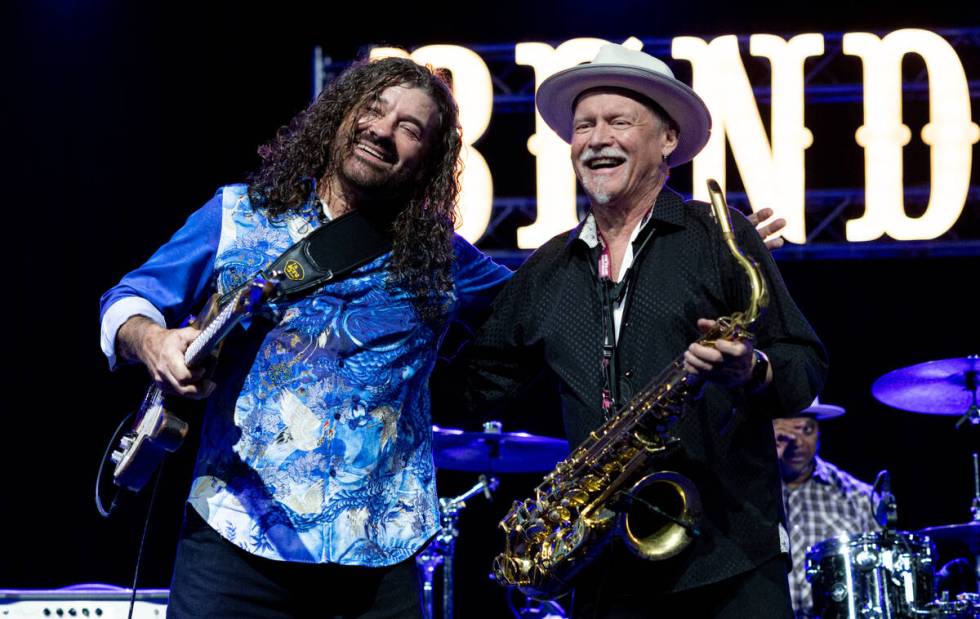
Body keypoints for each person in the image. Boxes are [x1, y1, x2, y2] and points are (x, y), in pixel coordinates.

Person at [99, 57, 512, 618]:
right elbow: (127, 302)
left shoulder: (444, 261)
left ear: (427, 165)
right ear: (341, 116)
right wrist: (152, 341)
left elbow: (538, 309)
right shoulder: (238, 215)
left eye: (411, 129)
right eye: (374, 108)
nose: (384, 131)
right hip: (235, 535)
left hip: (378, 556)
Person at [463, 44, 827, 618]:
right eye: (584, 125)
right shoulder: (547, 270)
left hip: (730, 559)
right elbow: (477, 384)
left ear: (668, 141)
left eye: (619, 121)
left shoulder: (720, 236)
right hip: (608, 567)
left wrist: (750, 370)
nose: (596, 138)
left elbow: (803, 365)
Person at [774, 398, 880, 618]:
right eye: (785, 432)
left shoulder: (860, 496)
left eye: (806, 429)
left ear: (819, 433)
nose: (797, 441)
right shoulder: (749, 493)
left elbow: (879, 576)